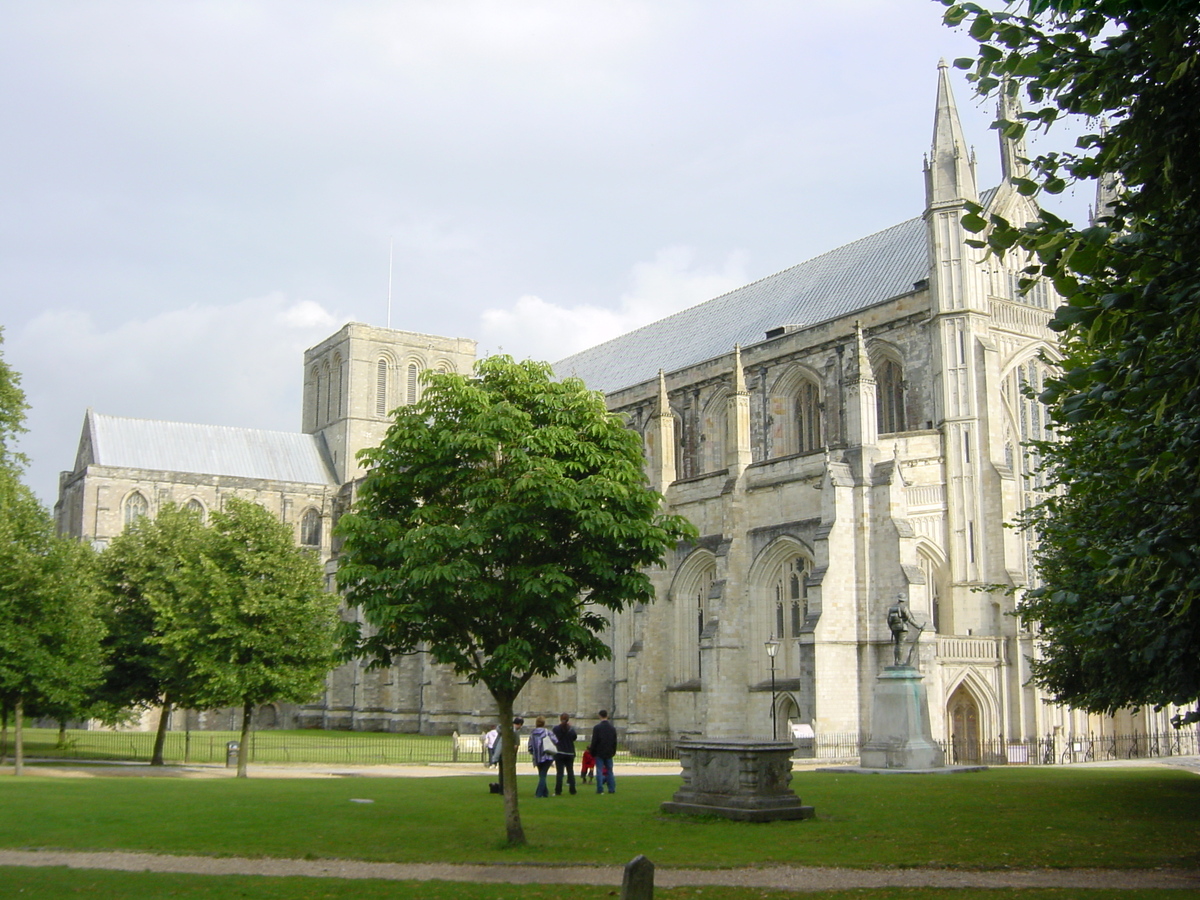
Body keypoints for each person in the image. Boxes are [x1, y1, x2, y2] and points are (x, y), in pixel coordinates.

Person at [886, 594, 923, 666]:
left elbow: (888, 620)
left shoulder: (892, 608)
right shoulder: (904, 608)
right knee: (900, 644)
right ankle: (899, 661)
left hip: (894, 628)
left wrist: (892, 628)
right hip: (902, 628)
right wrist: (919, 627)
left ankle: (896, 661)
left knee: (897, 644)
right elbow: (910, 619)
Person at [489, 716, 523, 794]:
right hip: (508, 755)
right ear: (520, 724)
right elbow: (516, 746)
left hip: (500, 753)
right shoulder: (515, 732)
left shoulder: (503, 730)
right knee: (508, 773)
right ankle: (508, 789)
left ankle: (501, 789)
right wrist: (514, 756)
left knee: (501, 772)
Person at [588, 709, 617, 794]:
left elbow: (594, 741)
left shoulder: (597, 728)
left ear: (599, 716)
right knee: (610, 771)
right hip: (609, 752)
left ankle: (600, 789)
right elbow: (614, 741)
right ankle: (611, 789)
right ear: (607, 716)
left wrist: (592, 751)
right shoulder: (612, 728)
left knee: (599, 771)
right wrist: (613, 751)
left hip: (599, 752)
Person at [527, 716, 556, 798]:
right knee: (543, 775)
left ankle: (545, 793)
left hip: (537, 757)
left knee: (541, 774)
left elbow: (530, 746)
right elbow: (556, 740)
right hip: (547, 756)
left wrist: (534, 753)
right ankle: (539, 793)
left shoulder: (532, 733)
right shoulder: (547, 732)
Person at [551, 712, 578, 795]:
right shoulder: (571, 730)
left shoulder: (556, 729)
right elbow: (574, 738)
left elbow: (554, 739)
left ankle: (558, 791)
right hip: (569, 752)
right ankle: (572, 790)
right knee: (570, 771)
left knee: (560, 773)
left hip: (560, 752)